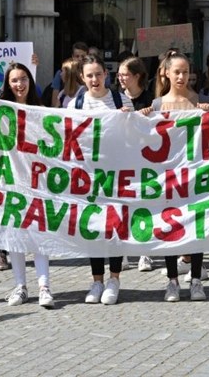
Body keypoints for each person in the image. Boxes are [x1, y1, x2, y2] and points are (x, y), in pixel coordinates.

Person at [140, 52, 209, 301]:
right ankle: (172, 281)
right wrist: (142, 116)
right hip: (167, 175)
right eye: (176, 72)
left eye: (185, 71)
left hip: (193, 173)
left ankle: (196, 279)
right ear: (166, 73)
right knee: (170, 225)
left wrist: (208, 113)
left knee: (195, 225)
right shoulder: (158, 104)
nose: (181, 76)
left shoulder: (197, 100)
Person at [70, 55, 133, 305]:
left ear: (106, 75)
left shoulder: (120, 99)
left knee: (115, 227)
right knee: (94, 228)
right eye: (89, 75)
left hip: (116, 173)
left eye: (98, 74)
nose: (94, 79)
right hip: (89, 175)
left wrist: (128, 118)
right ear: (82, 78)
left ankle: (114, 279)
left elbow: (135, 136)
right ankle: (97, 280)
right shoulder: (76, 103)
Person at [0, 63, 55, 308]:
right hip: (11, 181)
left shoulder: (41, 111)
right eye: (14, 80)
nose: (19, 84)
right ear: (7, 84)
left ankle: (44, 286)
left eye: (23, 79)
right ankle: (20, 286)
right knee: (15, 237)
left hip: (38, 182)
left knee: (39, 236)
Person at [117, 56, 156, 272]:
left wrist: (145, 117)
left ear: (137, 76)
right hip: (122, 157)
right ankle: (122, 251)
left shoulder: (151, 100)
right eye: (120, 75)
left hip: (145, 158)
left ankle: (146, 251)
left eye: (125, 74)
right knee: (123, 205)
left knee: (144, 204)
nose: (121, 78)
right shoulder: (116, 99)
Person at [50, 41, 89, 108]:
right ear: (72, 56)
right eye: (77, 56)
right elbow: (54, 103)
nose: (80, 59)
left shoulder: (91, 74)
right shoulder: (60, 74)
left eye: (83, 56)